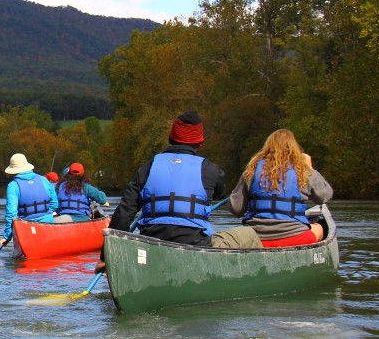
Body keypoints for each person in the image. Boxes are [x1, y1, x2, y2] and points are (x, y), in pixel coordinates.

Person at [95, 111, 258, 273]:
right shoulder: (211, 171)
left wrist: (106, 257)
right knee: (248, 234)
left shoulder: (147, 168)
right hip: (194, 246)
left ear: (170, 139)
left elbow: (123, 215)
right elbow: (219, 193)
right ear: (200, 144)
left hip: (150, 246)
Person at [229, 129, 333, 247]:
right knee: (322, 226)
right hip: (295, 237)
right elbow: (324, 197)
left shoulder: (251, 172)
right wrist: (311, 169)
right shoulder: (304, 171)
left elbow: (236, 209)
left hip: (255, 239)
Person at [0, 153, 59, 252]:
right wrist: (45, 214)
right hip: (48, 225)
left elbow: (11, 214)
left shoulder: (13, 186)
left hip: (26, 228)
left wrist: (7, 237)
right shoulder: (44, 180)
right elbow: (55, 204)